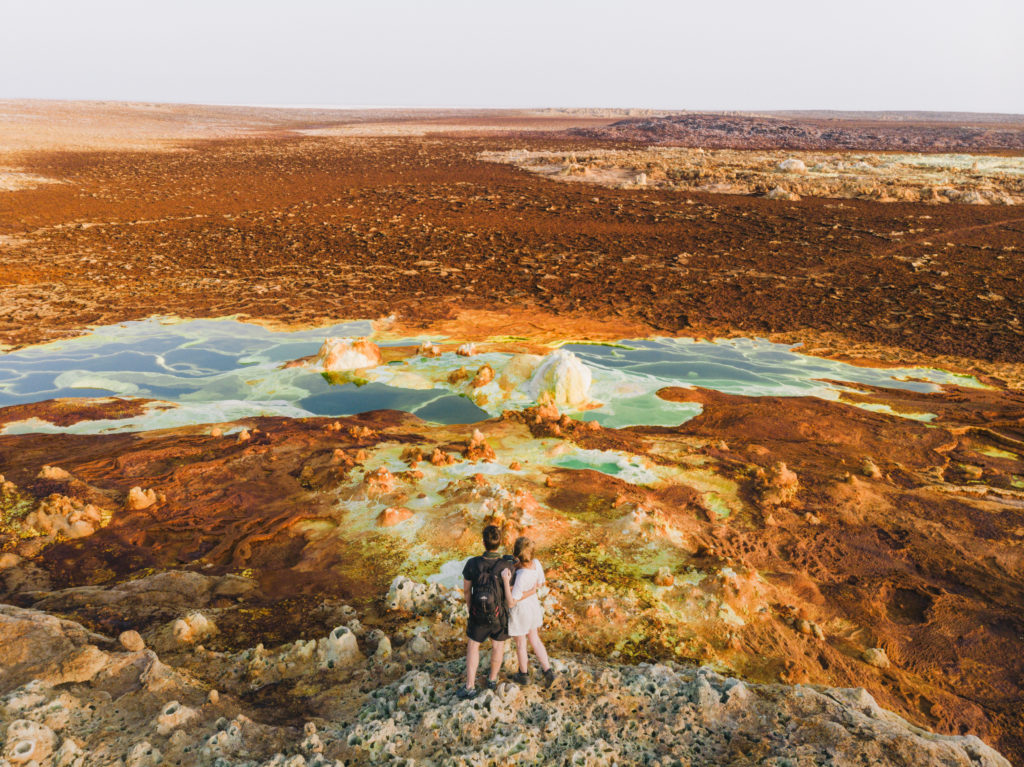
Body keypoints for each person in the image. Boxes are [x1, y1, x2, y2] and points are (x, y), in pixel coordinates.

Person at [458, 524, 533, 699]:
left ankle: (470, 686)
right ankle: (492, 680)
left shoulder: (472, 563)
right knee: (497, 646)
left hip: (478, 613)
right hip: (499, 616)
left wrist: (471, 610)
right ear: (499, 542)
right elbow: (512, 594)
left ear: (483, 542)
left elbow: (467, 591)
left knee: (473, 646)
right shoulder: (507, 566)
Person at [500, 535, 555, 687]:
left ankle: (523, 674)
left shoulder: (520, 575)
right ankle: (548, 671)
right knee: (535, 639)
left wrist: (506, 582)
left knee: (521, 644)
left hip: (521, 612)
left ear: (516, 555)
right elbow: (540, 583)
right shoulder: (536, 564)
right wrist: (531, 591)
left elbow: (511, 602)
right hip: (533, 608)